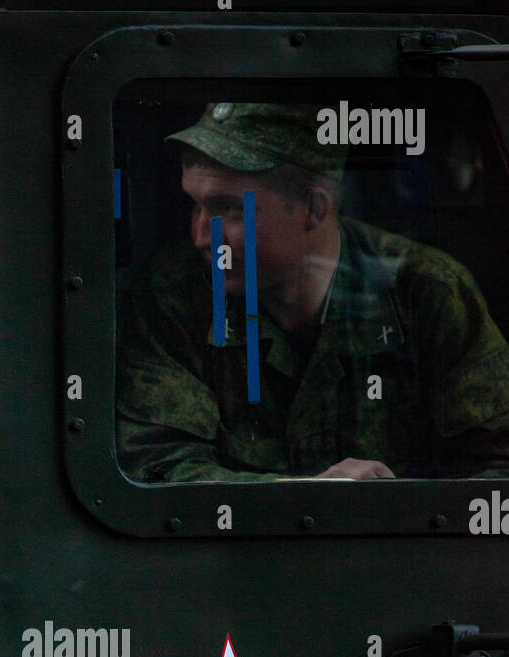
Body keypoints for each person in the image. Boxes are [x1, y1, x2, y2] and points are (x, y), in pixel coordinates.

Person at [116, 101, 509, 483]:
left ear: (314, 210)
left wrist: (396, 508)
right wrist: (304, 497)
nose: (202, 235)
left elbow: (498, 465)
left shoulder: (426, 291)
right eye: (195, 206)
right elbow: (156, 464)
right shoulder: (174, 291)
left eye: (228, 209)